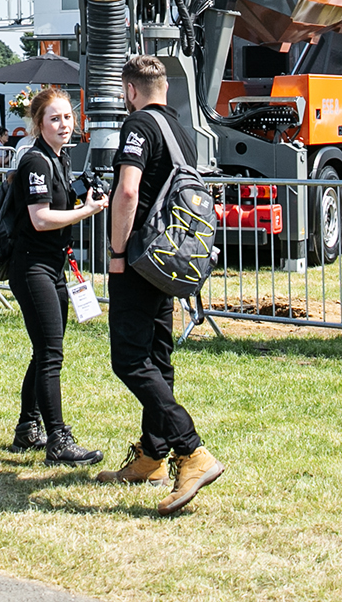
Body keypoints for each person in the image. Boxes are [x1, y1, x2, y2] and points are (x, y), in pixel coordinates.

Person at [99, 54, 224, 514]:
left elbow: (127, 191)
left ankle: (191, 451)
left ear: (130, 91)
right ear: (165, 88)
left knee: (130, 360)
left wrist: (116, 254)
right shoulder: (182, 132)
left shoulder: (138, 128)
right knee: (157, 355)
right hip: (170, 261)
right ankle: (153, 455)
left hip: (138, 257)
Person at [5, 85, 106, 466]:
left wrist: (83, 196)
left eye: (68, 117)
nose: (64, 125)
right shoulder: (36, 162)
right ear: (38, 124)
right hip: (32, 267)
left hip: (52, 265)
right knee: (51, 354)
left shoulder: (58, 159)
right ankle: (58, 441)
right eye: (55, 119)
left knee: (45, 349)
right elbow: (40, 218)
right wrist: (88, 211)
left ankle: (27, 428)